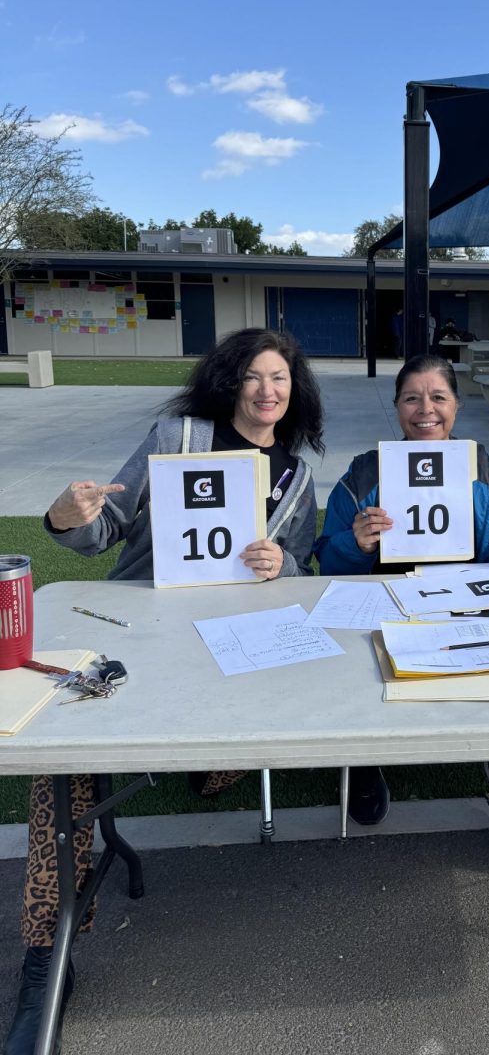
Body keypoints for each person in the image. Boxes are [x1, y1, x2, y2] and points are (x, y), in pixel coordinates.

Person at [5, 328, 322, 1055]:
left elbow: (300, 562)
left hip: (234, 643)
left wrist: (286, 564)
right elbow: (105, 530)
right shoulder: (178, 435)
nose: (266, 390)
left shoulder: (297, 477)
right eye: (251, 376)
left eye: (279, 378)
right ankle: (44, 961)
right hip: (138, 624)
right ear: (227, 381)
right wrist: (67, 517)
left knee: (251, 726)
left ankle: (208, 761)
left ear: (293, 391)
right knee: (63, 755)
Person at [314, 355, 489, 850]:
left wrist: (464, 607)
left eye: (438, 397)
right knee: (349, 653)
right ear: (396, 407)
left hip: (463, 605)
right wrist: (355, 546)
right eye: (411, 398)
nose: (425, 410)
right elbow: (327, 569)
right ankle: (364, 756)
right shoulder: (362, 476)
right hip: (381, 604)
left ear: (457, 406)